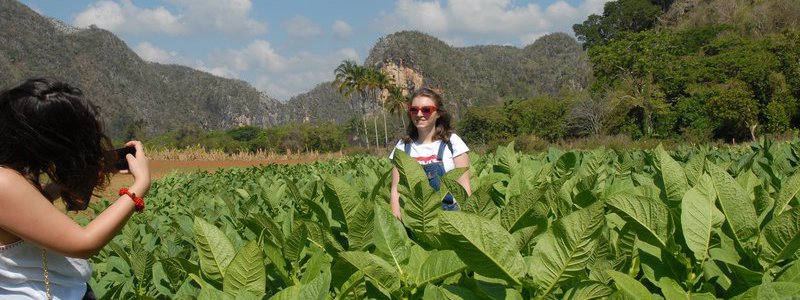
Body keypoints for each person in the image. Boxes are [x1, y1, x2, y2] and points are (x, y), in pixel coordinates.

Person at [0, 78, 151, 299]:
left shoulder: (14, 174)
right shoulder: (4, 181)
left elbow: (27, 208)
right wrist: (140, 185)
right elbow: (85, 243)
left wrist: (59, 187)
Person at [389, 87, 472, 220]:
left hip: (450, 219)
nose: (419, 114)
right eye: (414, 110)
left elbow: (464, 187)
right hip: (415, 221)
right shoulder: (402, 147)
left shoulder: (452, 143)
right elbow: (396, 190)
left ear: (438, 114)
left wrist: (467, 221)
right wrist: (396, 222)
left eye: (426, 110)